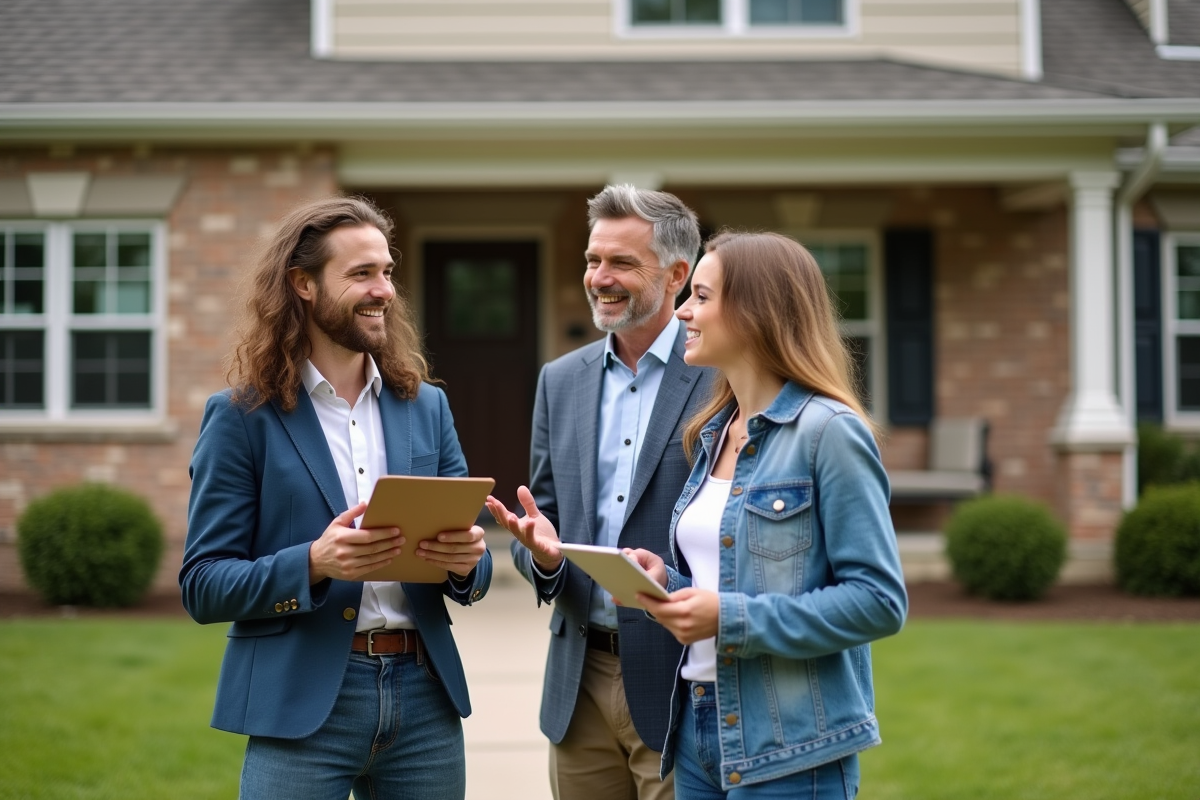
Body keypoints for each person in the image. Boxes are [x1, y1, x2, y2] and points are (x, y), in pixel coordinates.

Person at [180, 196, 491, 800]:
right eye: (361, 274)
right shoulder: (242, 419)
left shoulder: (427, 407)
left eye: (387, 272)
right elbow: (203, 583)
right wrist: (314, 564)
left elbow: (470, 573)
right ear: (302, 284)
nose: (384, 290)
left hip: (425, 701)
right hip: (301, 704)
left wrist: (466, 562)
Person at [627, 231, 908, 799]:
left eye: (701, 297)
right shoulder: (713, 434)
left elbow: (879, 601)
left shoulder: (828, 433)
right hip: (698, 733)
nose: (681, 310)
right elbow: (733, 582)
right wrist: (668, 584)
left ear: (756, 313)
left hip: (789, 750)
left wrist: (728, 619)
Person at [486, 185, 714, 800]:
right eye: (593, 260)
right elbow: (546, 519)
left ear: (676, 275)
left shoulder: (723, 379)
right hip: (577, 681)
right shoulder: (560, 381)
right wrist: (539, 553)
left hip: (680, 679)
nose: (599, 278)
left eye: (621, 263)